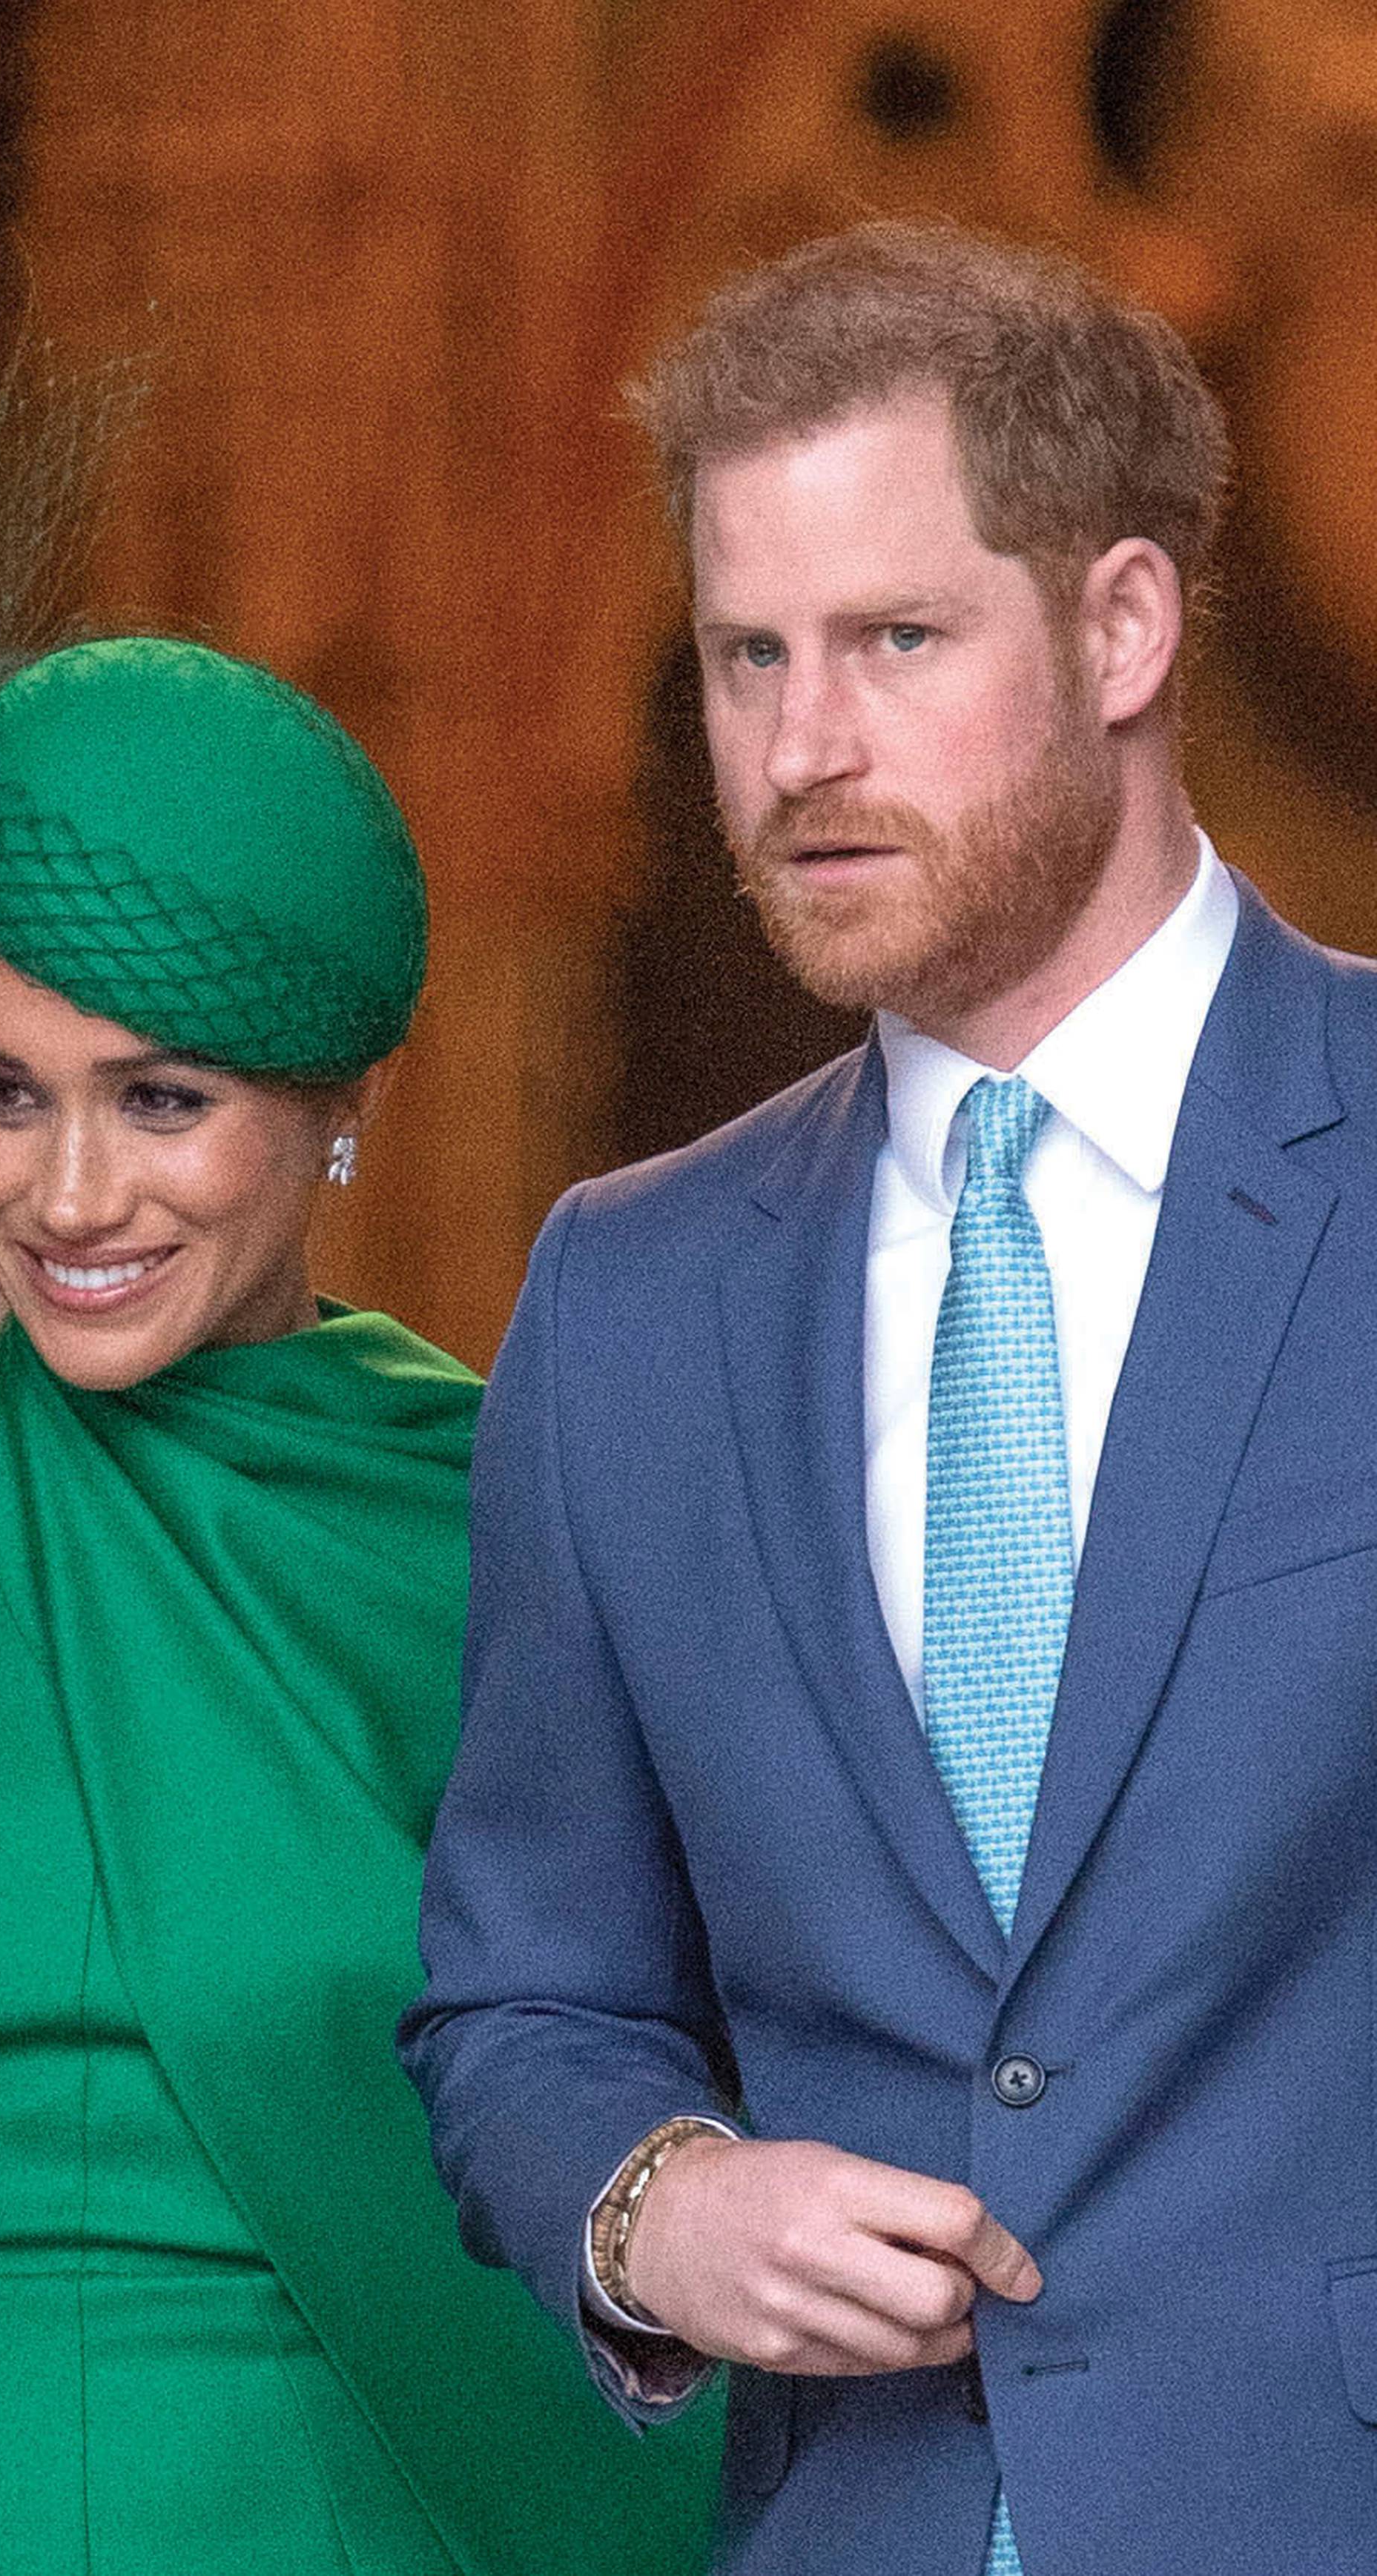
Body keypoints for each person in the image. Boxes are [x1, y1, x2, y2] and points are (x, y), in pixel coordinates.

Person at [400, 221, 1377, 2575]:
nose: (798, 749)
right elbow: (524, 1995)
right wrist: (660, 2208)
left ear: (1123, 626)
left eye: (894, 641)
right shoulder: (623, 1293)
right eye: (746, 655)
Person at [0, 635, 720, 2575]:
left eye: (160, 1099)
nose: (66, 1192)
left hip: (382, 2517)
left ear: (340, 1099)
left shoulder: (521, 1518)